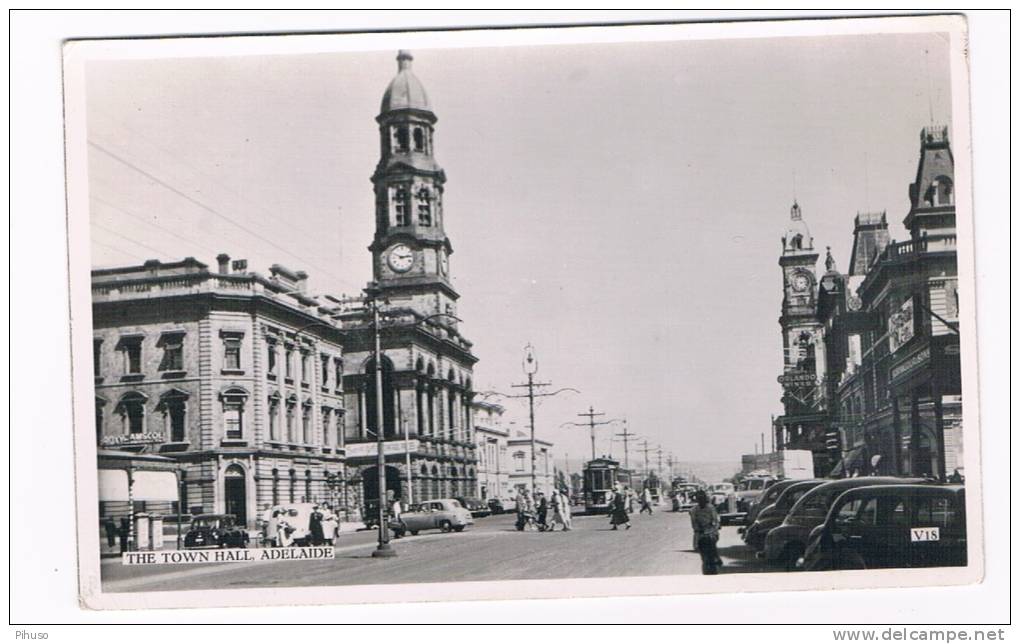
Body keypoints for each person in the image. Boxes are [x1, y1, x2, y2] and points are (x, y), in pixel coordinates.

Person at [690, 490, 721, 574]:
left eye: (702, 498)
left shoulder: (711, 508)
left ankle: (716, 557)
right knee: (700, 550)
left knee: (712, 542)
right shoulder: (694, 510)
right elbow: (694, 523)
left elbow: (716, 521)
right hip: (700, 532)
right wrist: (698, 530)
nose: (701, 501)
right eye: (699, 499)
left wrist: (713, 528)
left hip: (711, 531)